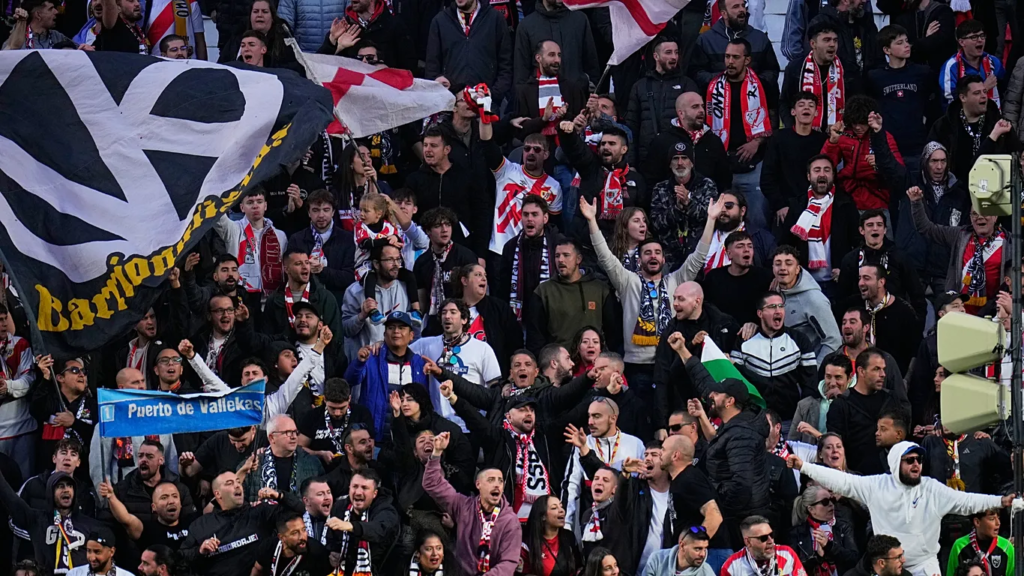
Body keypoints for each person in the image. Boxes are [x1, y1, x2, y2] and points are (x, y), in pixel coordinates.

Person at [787, 442, 1016, 576]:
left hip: (925, 566)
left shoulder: (931, 489)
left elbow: (967, 502)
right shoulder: (876, 486)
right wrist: (804, 466)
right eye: (910, 460)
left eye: (919, 460)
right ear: (896, 463)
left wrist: (1000, 501)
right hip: (888, 568)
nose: (916, 464)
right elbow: (841, 481)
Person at [584, 195, 722, 403]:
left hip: (672, 361)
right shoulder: (628, 281)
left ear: (664, 259)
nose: (653, 256)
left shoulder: (676, 280)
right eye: (647, 253)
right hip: (638, 366)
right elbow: (605, 257)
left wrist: (711, 220)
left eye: (657, 252)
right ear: (639, 260)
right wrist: (591, 220)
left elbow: (698, 256)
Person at [668, 334, 771, 546]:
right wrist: (682, 350)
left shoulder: (741, 435)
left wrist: (719, 503)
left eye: (717, 394)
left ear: (730, 401)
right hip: (737, 517)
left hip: (742, 523)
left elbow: (742, 485)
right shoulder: (735, 423)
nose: (710, 396)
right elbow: (704, 382)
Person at [423, 432, 522, 576]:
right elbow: (432, 484)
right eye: (491, 480)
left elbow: (508, 562)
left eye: (500, 481)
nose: (497, 485)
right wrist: (437, 452)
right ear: (478, 484)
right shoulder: (463, 506)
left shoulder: (510, 521)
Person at [653, 282, 740, 436]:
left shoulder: (724, 324)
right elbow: (662, 377)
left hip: (720, 409)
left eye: (681, 299)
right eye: (674, 298)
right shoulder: (671, 331)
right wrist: (661, 423)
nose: (675, 304)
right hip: (684, 408)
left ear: (696, 302)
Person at [705, 39, 775, 228]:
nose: (730, 61)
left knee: (758, 218)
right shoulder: (713, 87)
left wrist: (757, 142)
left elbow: (774, 121)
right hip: (722, 163)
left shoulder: (763, 86)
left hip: (754, 164)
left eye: (735, 57)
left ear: (747, 60)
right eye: (727, 56)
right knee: (722, 220)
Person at [908, 184, 1009, 314]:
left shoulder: (1010, 242)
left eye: (985, 213)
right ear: (970, 218)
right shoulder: (960, 235)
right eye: (974, 214)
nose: (979, 217)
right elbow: (926, 228)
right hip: (960, 312)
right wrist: (916, 202)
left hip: (993, 312)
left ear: (995, 217)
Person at [180, 472, 303, 576]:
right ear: (217, 494)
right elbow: (182, 558)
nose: (237, 485)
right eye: (229, 483)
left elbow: (299, 510)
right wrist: (200, 551)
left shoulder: (260, 513)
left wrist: (280, 496)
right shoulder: (200, 525)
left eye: (238, 482)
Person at [479, 108, 562, 256]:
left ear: (546, 154)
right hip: (499, 250)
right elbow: (487, 145)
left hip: (530, 254)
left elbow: (553, 226)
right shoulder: (506, 170)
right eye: (527, 148)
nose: (531, 153)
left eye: (537, 150)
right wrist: (484, 113)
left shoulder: (554, 187)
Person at [410, 298, 501, 429]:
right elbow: (399, 351)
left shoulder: (482, 348)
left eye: (453, 312)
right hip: (438, 426)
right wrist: (381, 346)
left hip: (471, 427)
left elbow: (494, 389)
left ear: (464, 319)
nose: (447, 316)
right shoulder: (426, 344)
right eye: (444, 312)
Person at [894, 142, 972, 294]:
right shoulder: (910, 185)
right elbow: (889, 166)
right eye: (934, 161)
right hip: (915, 266)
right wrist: (878, 134)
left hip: (944, 269)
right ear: (925, 163)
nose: (939, 167)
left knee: (949, 308)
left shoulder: (959, 193)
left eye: (943, 161)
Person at [730, 292, 817, 422]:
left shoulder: (799, 339)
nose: (778, 310)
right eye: (772, 307)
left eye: (781, 306)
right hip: (755, 419)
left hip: (791, 419)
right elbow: (736, 380)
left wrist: (803, 416)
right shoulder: (744, 340)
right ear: (760, 313)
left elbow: (810, 382)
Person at [563, 398, 646, 532]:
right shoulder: (583, 443)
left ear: (613, 418)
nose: (590, 422)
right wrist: (566, 524)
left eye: (596, 416)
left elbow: (644, 488)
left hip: (625, 524)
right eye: (589, 416)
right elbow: (571, 485)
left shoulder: (635, 444)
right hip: (591, 524)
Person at [780, 155, 860, 293]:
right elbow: (785, 244)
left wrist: (846, 270)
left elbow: (858, 243)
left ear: (833, 175)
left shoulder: (845, 204)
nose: (822, 174)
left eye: (826, 170)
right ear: (808, 176)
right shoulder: (798, 205)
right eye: (817, 170)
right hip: (805, 283)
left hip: (838, 283)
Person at [406, 126, 490, 256]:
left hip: (462, 249)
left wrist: (480, 254)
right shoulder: (414, 180)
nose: (427, 150)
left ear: (447, 150)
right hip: (424, 251)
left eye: (433, 146)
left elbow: (481, 216)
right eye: (425, 145)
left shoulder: (467, 177)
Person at [559, 118, 648, 239]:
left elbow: (643, 214)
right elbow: (577, 151)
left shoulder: (636, 179)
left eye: (612, 144)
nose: (605, 147)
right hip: (586, 242)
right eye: (603, 143)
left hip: (621, 243)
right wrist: (568, 135)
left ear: (624, 149)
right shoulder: (591, 168)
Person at [0, 467, 100, 575]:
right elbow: (10, 499)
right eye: (60, 486)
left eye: (70, 486)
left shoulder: (90, 525)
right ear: (50, 492)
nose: (66, 489)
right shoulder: (37, 520)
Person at [346, 311, 427, 438]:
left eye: (401, 328)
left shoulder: (419, 364)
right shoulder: (371, 358)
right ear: (384, 334)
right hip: (375, 438)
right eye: (391, 327)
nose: (396, 331)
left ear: (411, 335)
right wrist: (359, 362)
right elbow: (350, 380)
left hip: (408, 439)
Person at [526, 237, 614, 353]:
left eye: (566, 255)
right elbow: (535, 337)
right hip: (558, 361)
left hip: (594, 360)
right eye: (557, 256)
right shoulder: (543, 291)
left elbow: (613, 332)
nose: (560, 260)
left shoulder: (600, 289)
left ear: (578, 259)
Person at [836, 210, 927, 321]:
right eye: (870, 225)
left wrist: (917, 324)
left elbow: (917, 295)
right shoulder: (851, 259)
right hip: (861, 321)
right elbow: (841, 298)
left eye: (879, 225)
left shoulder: (900, 257)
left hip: (894, 320)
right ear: (861, 230)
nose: (875, 228)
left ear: (885, 230)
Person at [927, 75, 1017, 183]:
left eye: (984, 91)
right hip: (955, 188)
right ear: (963, 98)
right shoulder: (943, 126)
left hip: (995, 186)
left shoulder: (1000, 125)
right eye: (977, 93)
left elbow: (1017, 154)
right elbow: (930, 160)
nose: (983, 96)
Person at [820, 101, 904, 216]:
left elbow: (899, 173)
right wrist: (832, 142)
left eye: (862, 123)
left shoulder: (884, 137)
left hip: (877, 201)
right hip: (847, 200)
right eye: (854, 123)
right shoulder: (843, 136)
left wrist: (881, 162)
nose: (858, 127)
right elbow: (824, 165)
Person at [827, 348, 903, 474]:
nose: (883, 374)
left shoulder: (890, 399)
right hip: (854, 477)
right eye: (876, 369)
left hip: (889, 476)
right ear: (861, 371)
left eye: (883, 369)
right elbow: (835, 447)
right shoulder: (841, 405)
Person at [625, 37, 699, 165]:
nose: (674, 57)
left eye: (676, 52)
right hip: (646, 158)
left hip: (679, 157)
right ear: (656, 56)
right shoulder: (640, 86)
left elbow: (696, 125)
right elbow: (631, 127)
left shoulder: (687, 84)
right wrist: (631, 163)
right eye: (668, 52)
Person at [660, 435, 729, 571]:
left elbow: (714, 516)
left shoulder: (689, 479)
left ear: (675, 455)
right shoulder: (681, 479)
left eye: (663, 449)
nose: (660, 453)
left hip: (711, 554)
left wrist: (696, 547)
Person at [868, 26, 934, 166]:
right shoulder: (875, 77)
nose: (906, 45)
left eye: (906, 41)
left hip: (917, 143)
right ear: (887, 50)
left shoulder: (922, 72)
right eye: (899, 43)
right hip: (889, 144)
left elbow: (931, 103)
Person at [760, 92, 829, 228]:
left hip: (816, 207)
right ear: (793, 112)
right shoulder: (778, 139)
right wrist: (780, 205)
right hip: (785, 208)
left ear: (816, 113)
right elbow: (767, 178)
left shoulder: (823, 140)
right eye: (801, 105)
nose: (806, 108)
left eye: (811, 106)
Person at [425, 0, 513, 104]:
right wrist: (442, 86)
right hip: (451, 103)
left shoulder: (495, 19)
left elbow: (506, 64)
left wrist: (493, 93)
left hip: (487, 102)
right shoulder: (440, 21)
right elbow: (432, 67)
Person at [648, 140, 720, 268]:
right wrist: (677, 208)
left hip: (700, 254)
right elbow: (656, 224)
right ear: (670, 164)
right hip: (669, 257)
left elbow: (711, 218)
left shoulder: (706, 185)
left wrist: (688, 203)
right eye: (675, 158)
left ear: (692, 163)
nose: (680, 163)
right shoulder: (660, 188)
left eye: (684, 158)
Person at [643, 91, 732, 192]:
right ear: (681, 113)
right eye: (695, 107)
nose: (701, 110)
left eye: (702, 106)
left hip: (708, 200)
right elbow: (651, 178)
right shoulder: (663, 141)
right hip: (671, 200)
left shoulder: (713, 141)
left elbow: (724, 179)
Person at [341, 244, 418, 359]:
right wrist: (361, 316)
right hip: (366, 360)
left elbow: (415, 329)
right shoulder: (355, 291)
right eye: (390, 260)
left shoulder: (406, 289)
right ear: (376, 264)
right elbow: (346, 329)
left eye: (398, 259)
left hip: (397, 361)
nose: (396, 264)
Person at [769, 245, 842, 362]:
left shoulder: (814, 299)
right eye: (778, 264)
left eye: (788, 263)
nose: (782, 268)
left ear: (797, 269)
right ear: (773, 268)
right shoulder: (773, 295)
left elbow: (833, 341)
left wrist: (816, 369)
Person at [512, 40, 591, 148]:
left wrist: (565, 116)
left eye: (559, 55)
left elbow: (581, 124)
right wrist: (543, 119)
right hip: (536, 151)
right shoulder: (525, 91)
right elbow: (520, 131)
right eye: (551, 55)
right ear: (538, 58)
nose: (557, 60)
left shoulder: (573, 88)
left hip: (567, 150)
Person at [214, 189, 288, 300]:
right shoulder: (234, 230)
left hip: (273, 298)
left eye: (259, 201)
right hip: (243, 296)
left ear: (265, 205)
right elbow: (215, 214)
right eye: (250, 202)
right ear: (242, 207)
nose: (255, 206)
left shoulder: (280, 236)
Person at [497, 196, 560, 326]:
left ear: (545, 218)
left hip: (552, 319)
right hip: (520, 319)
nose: (529, 219)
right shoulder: (510, 247)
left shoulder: (558, 244)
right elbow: (502, 286)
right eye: (525, 214)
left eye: (535, 214)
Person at [286, 189, 357, 305]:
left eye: (326, 210)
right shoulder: (297, 239)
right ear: (309, 213)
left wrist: (322, 271)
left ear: (333, 212)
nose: (321, 215)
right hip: (304, 304)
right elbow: (290, 273)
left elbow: (350, 277)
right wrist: (307, 269)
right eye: (315, 210)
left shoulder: (347, 239)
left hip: (339, 303)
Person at [324, 468, 400, 576]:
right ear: (349, 488)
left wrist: (351, 526)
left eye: (364, 488)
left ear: (374, 493)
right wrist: (333, 552)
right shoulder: (340, 507)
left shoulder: (386, 510)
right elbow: (331, 538)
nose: (358, 492)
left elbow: (379, 529)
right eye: (355, 486)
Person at [413, 207, 478, 330]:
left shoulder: (465, 256)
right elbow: (421, 300)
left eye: (448, 225)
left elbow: (475, 292)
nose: (444, 230)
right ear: (428, 231)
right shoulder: (422, 262)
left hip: (461, 321)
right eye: (438, 226)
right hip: (434, 321)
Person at [30, 357, 97, 471]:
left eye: (84, 371)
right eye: (75, 370)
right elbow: (35, 409)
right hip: (50, 471)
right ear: (60, 378)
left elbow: (98, 438)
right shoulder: (50, 401)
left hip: (83, 471)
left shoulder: (94, 405)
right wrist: (46, 377)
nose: (82, 375)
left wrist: (74, 423)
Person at [240, 415, 325, 502]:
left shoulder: (313, 464)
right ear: (272, 438)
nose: (294, 437)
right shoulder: (251, 466)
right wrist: (253, 508)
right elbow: (239, 501)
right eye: (288, 432)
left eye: (295, 432)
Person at [854, 264, 922, 374]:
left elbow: (915, 351)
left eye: (866, 278)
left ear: (881, 282)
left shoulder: (903, 311)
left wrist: (905, 380)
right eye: (859, 278)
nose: (861, 283)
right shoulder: (854, 307)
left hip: (893, 376)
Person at [455, 264, 523, 373]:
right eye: (478, 275)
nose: (484, 279)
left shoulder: (499, 309)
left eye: (485, 275)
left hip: (492, 375)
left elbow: (515, 343)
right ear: (465, 281)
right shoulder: (450, 309)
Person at [514, 0, 600, 86]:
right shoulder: (526, 26)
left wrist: (590, 86)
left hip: (578, 91)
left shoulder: (580, 20)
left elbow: (592, 65)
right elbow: (521, 73)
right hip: (542, 92)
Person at [297, 377, 375, 470]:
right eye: (332, 408)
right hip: (321, 470)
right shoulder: (312, 416)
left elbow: (370, 446)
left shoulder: (361, 414)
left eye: (342, 408)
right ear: (325, 399)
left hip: (355, 470)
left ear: (349, 399)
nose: (337, 413)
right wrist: (319, 454)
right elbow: (299, 447)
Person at [781, 21, 844, 131]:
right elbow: (785, 103)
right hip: (803, 133)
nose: (832, 44)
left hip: (839, 133)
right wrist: (793, 130)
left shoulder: (847, 69)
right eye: (827, 40)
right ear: (813, 44)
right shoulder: (795, 68)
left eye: (835, 40)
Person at [99, 479, 193, 552]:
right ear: (154, 507)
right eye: (164, 498)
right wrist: (111, 497)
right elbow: (126, 518)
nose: (171, 501)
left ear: (180, 504)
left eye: (175, 496)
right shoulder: (147, 530)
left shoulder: (192, 525)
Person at [808, 0, 882, 95]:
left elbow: (879, 58)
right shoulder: (822, 22)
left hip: (866, 93)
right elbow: (814, 59)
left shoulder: (867, 23)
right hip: (834, 92)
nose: (864, 1)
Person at [701, 231, 774, 325]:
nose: (746, 250)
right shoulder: (713, 278)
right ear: (729, 254)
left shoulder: (765, 277)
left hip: (755, 331)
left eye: (750, 246)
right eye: (740, 246)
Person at [788, 485, 859, 575]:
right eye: (825, 502)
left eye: (832, 500)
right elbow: (794, 568)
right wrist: (818, 557)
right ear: (811, 509)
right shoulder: (797, 533)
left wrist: (829, 546)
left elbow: (854, 559)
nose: (831, 504)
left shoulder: (843, 526)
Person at [0, 302, 36, 479]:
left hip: (21, 427)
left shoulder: (20, 344)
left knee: (23, 483)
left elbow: (30, 380)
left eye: (5, 319)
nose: (4, 324)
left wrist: (8, 386)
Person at [704, 191, 776, 274]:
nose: (723, 210)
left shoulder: (762, 238)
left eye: (729, 205)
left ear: (742, 211)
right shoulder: (704, 235)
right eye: (719, 206)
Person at [940, 20, 1005, 110]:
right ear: (961, 42)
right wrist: (984, 88)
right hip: (961, 116)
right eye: (974, 37)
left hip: (992, 115)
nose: (980, 40)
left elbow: (1004, 89)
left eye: (982, 36)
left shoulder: (993, 62)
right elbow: (951, 102)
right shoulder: (951, 66)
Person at [790, 355, 851, 444]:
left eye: (838, 377)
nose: (833, 383)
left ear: (849, 378)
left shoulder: (856, 405)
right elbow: (791, 443)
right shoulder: (805, 405)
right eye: (828, 377)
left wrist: (818, 435)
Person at [721, 515, 807, 576]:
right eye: (763, 538)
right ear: (748, 542)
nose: (771, 541)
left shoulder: (787, 554)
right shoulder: (732, 567)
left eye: (771, 535)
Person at [251, 512, 332, 576]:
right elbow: (257, 569)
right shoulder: (268, 546)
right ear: (281, 537)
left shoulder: (317, 551)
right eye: (295, 533)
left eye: (304, 529)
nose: (302, 536)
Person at [519, 495, 582, 576]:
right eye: (554, 508)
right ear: (543, 516)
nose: (562, 510)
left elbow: (578, 568)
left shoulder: (569, 537)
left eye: (561, 506)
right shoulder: (528, 542)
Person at [946, 509, 1015, 576]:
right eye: (992, 519)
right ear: (977, 522)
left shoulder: (1007, 547)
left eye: (998, 518)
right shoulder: (959, 546)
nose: (998, 523)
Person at [2, 0, 74, 49]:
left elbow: (78, 51)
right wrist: (21, 22)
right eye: (50, 9)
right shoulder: (18, 36)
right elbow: (5, 58)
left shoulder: (57, 37)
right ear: (38, 15)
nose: (56, 12)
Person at [66, 527, 132, 576]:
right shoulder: (74, 574)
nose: (92, 558)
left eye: (97, 552)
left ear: (112, 552)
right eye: (89, 551)